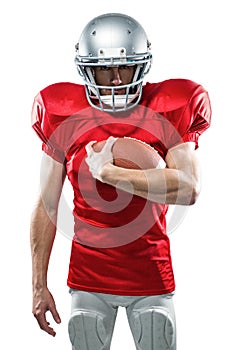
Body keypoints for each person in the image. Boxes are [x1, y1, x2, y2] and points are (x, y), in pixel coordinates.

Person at [30, 13, 211, 350]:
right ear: (87, 69)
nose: (115, 80)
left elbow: (188, 188)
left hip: (151, 276)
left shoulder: (169, 106)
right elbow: (47, 204)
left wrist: (112, 174)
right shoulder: (62, 112)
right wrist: (38, 285)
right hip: (88, 278)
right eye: (104, 69)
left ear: (141, 67)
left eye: (124, 68)